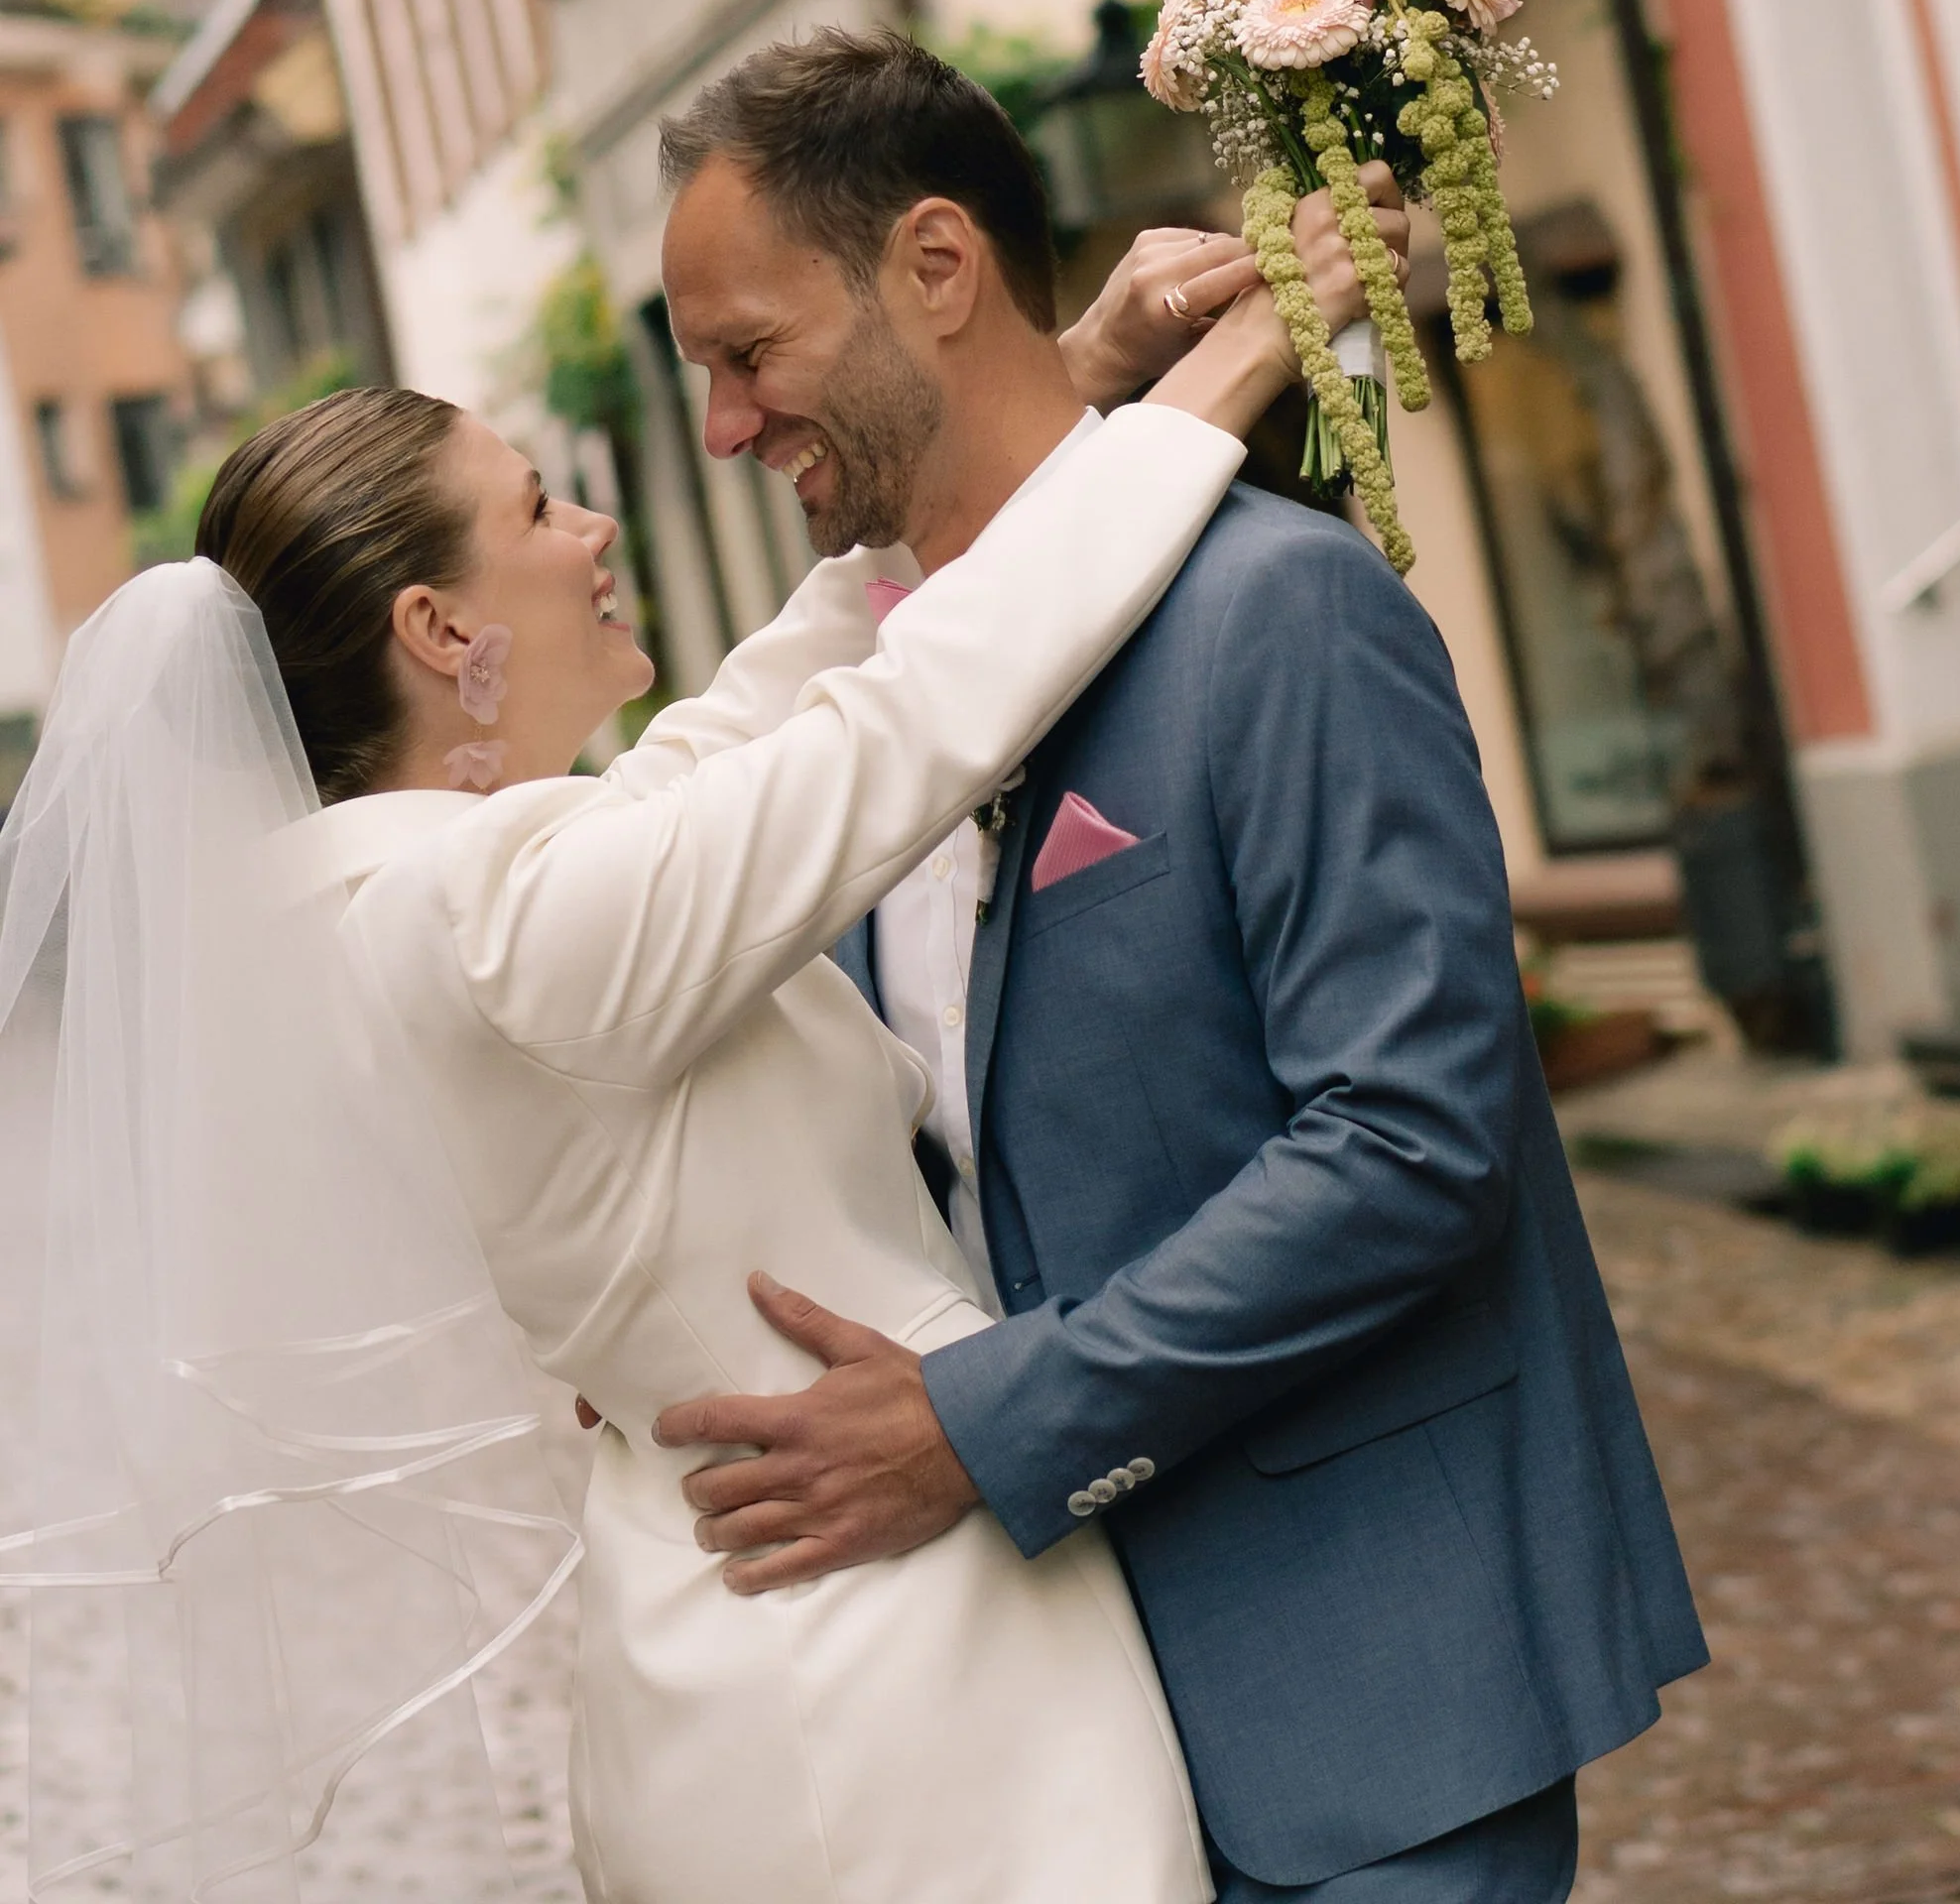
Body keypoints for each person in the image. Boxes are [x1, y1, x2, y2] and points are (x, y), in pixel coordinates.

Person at [0, 207, 1356, 1904]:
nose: (591, 528)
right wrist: (1214, 388)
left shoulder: (407, 895)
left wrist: (1070, 375)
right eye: (538, 506)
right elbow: (899, 727)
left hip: (757, 1616)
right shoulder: (487, 917)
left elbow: (750, 724)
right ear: (437, 627)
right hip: (881, 1663)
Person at [645, 29, 1709, 1904]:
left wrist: (979, 1428)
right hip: (1060, 1748)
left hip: (1372, 1696)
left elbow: (1410, 1142)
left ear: (939, 267)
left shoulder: (1280, 612)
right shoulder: (885, 710)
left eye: (749, 354)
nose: (726, 427)